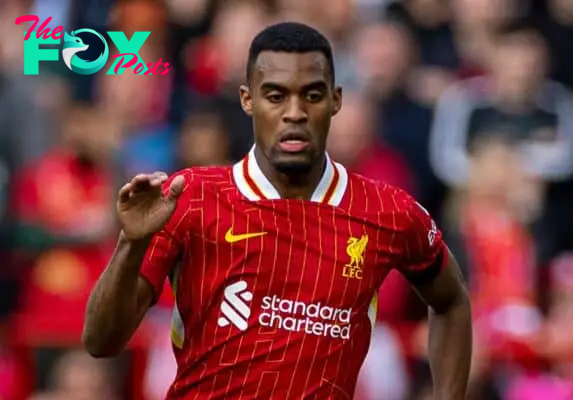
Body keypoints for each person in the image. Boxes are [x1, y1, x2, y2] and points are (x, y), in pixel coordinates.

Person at [82, 22, 472, 399]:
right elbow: (100, 342)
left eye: (313, 95)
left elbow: (452, 301)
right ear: (247, 100)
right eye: (275, 95)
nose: (295, 112)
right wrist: (130, 244)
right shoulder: (191, 197)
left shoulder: (387, 211)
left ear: (336, 100)